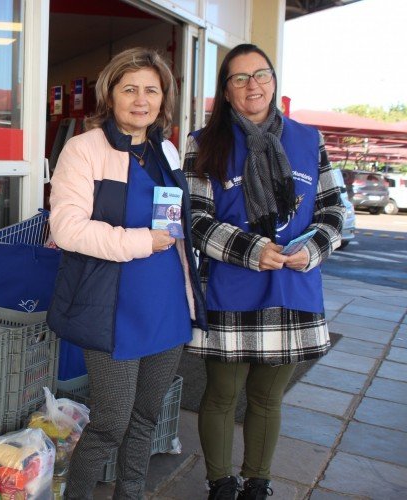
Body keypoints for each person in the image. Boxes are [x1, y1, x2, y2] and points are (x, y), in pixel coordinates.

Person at [183, 44, 344, 499]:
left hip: (293, 286)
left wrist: (312, 247)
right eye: (240, 78)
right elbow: (194, 218)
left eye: (261, 75)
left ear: (274, 80)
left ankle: (257, 482)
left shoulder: (308, 140)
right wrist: (251, 249)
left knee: (268, 398)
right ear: (226, 90)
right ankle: (220, 483)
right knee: (220, 396)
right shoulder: (203, 143)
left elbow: (332, 210)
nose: (253, 85)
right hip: (231, 287)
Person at [46, 47, 208, 499]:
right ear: (110, 94)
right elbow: (67, 228)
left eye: (151, 90)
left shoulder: (167, 151)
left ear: (163, 98)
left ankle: (130, 492)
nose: (141, 99)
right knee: (111, 423)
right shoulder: (84, 149)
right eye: (130, 88)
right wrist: (141, 241)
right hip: (114, 306)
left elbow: (175, 224)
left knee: (146, 417)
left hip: (167, 303)